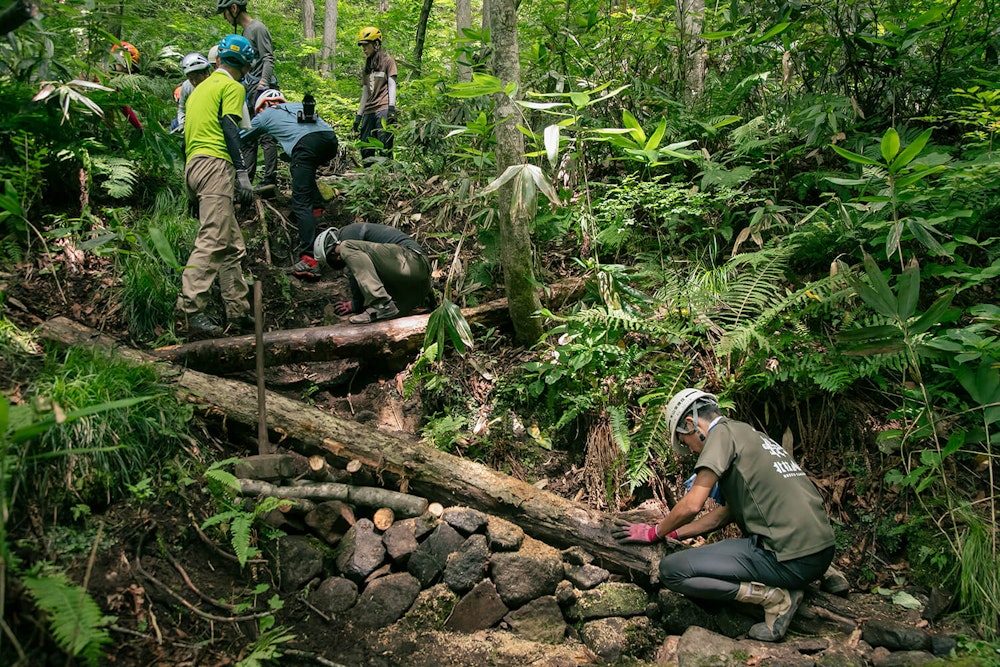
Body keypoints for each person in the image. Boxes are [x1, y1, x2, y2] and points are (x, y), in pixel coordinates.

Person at [613, 389, 835, 642]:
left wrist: (654, 532)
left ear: (691, 424)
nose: (693, 450)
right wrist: (674, 533)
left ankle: (776, 599)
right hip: (821, 551)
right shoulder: (748, 433)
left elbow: (692, 505)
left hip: (789, 560)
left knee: (672, 570)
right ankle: (830, 573)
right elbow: (722, 516)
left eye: (687, 443)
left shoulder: (718, 436)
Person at [176, 34, 257, 338]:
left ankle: (237, 312)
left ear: (219, 60)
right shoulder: (232, 86)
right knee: (212, 239)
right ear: (247, 67)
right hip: (215, 166)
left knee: (232, 246)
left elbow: (187, 133)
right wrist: (242, 173)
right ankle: (189, 310)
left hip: (193, 166)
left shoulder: (197, 90)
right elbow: (229, 128)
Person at [241, 90, 339, 279]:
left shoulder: (265, 115)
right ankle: (319, 213)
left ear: (262, 106)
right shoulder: (297, 106)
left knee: (300, 200)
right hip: (329, 140)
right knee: (301, 170)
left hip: (306, 145)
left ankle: (309, 260)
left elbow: (240, 136)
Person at [312, 223, 431, 324]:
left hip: (413, 260)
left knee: (346, 247)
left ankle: (381, 304)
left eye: (334, 257)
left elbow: (355, 274)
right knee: (385, 322)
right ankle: (386, 307)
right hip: (416, 285)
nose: (338, 259)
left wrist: (355, 305)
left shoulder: (347, 235)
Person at [217, 0, 279, 191]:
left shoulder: (257, 27)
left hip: (263, 89)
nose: (225, 17)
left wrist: (264, 83)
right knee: (249, 135)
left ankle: (269, 179)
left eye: (225, 13)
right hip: (249, 89)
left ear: (234, 8)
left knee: (267, 135)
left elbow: (268, 57)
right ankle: (247, 181)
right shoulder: (245, 32)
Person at [353, 26, 397, 165]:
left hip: (383, 108)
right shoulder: (366, 67)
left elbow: (392, 84)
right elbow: (365, 92)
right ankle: (367, 180)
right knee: (366, 148)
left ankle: (387, 178)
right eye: (362, 46)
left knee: (384, 144)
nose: (364, 49)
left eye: (366, 45)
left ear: (376, 44)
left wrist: (391, 109)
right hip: (369, 110)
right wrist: (358, 116)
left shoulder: (388, 61)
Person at [170, 52, 212, 134]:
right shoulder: (187, 87)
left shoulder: (215, 85)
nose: (195, 82)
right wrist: (182, 125)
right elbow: (182, 109)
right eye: (191, 79)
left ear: (206, 73)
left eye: (197, 78)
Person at [108, 41, 143, 131]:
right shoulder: (102, 76)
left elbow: (122, 105)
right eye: (125, 66)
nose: (127, 70)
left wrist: (139, 127)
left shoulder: (114, 80)